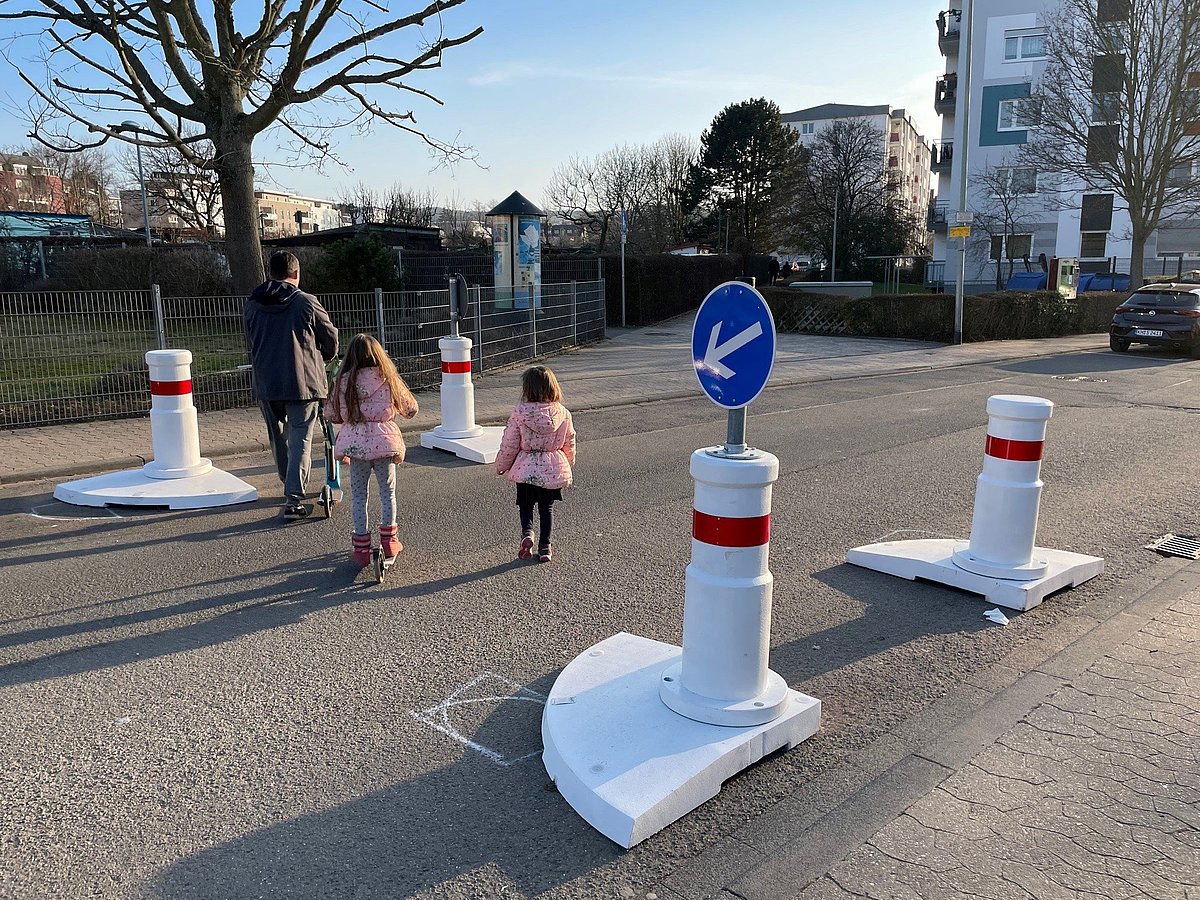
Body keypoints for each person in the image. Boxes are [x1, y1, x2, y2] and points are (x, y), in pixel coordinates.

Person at [244, 250, 339, 519]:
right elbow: (330, 340)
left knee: (278, 438)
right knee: (301, 439)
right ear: (296, 274)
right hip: (303, 383)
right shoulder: (306, 303)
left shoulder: (252, 304)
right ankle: (293, 499)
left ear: (270, 273)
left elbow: (250, 343)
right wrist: (322, 359)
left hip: (267, 383)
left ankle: (289, 483)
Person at [324, 333, 419, 567]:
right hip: (384, 444)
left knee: (359, 496)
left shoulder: (342, 381)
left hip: (356, 447)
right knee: (387, 493)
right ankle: (389, 541)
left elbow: (331, 414)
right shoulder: (388, 378)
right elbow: (410, 409)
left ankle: (361, 548)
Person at [495, 365, 576, 563]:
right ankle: (545, 546)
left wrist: (502, 465)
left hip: (526, 468)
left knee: (525, 505)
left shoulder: (520, 412)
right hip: (552, 468)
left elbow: (510, 443)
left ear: (527, 389)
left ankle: (527, 533)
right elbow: (570, 440)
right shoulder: (563, 413)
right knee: (546, 509)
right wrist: (569, 462)